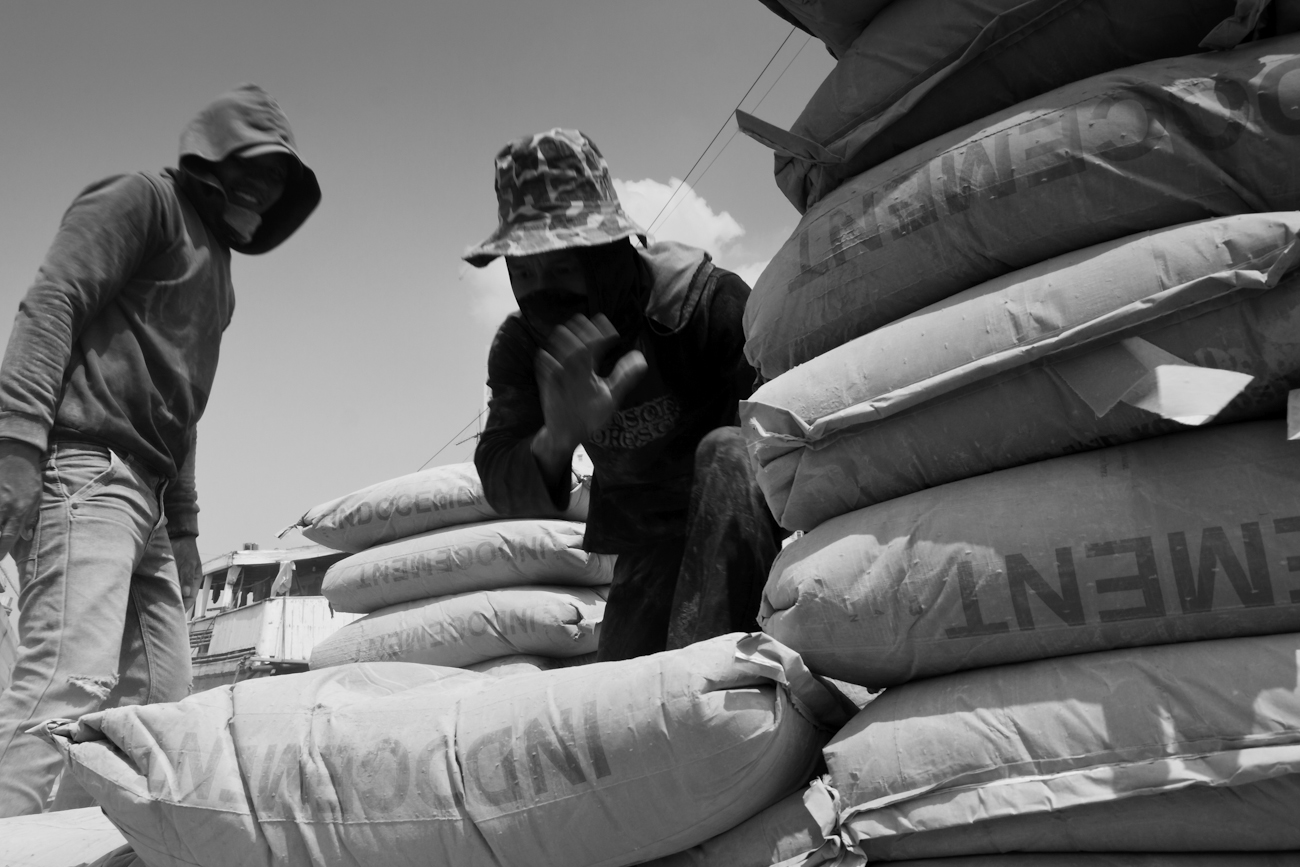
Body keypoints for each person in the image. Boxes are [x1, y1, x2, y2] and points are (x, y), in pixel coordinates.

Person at [0, 83, 320, 816]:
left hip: (147, 492)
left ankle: (94, 843)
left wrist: (185, 529)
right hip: (87, 467)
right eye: (256, 172)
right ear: (216, 157)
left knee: (165, 703)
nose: (263, 194)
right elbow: (53, 301)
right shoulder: (142, 201)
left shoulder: (222, 275)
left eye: (276, 185)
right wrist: (16, 441)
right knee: (64, 684)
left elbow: (183, 403)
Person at [468, 128, 782, 661]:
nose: (544, 290)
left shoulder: (705, 304)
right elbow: (501, 474)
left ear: (613, 250)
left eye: (564, 266)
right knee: (626, 699)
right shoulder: (523, 348)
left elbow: (787, 433)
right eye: (523, 271)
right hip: (645, 540)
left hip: (757, 530)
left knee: (731, 451)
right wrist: (557, 436)